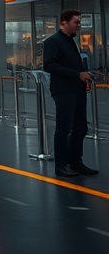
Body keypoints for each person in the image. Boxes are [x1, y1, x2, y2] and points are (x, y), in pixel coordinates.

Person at [43, 9, 98, 178]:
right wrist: (78, 74)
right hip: (64, 91)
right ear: (63, 23)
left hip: (77, 89)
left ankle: (75, 161)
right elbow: (49, 65)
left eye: (79, 22)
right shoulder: (53, 42)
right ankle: (61, 165)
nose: (79, 25)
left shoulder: (70, 41)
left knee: (80, 127)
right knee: (64, 128)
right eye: (76, 22)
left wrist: (86, 74)